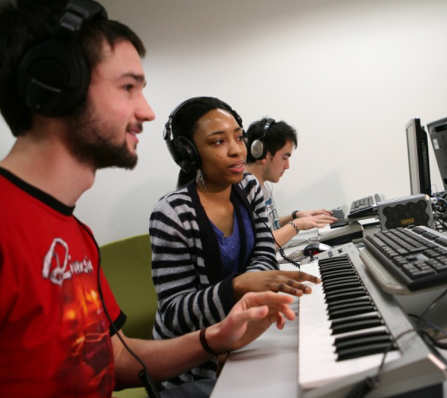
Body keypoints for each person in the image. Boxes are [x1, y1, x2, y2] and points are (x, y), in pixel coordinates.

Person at [0, 1, 296, 397]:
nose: (148, 111)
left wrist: (216, 337)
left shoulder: (75, 233)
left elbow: (114, 358)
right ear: (57, 89)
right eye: (127, 88)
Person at [151, 97, 321, 394]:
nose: (236, 150)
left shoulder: (248, 188)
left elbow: (265, 253)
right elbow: (174, 312)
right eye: (218, 142)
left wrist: (253, 288)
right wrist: (239, 286)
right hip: (191, 366)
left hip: (243, 337)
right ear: (189, 153)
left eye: (239, 138)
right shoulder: (172, 213)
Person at [243, 117, 337, 247]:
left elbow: (269, 228)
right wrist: (298, 225)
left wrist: (295, 216)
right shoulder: (244, 189)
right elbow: (260, 245)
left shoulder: (263, 186)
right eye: (284, 157)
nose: (287, 166)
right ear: (263, 153)